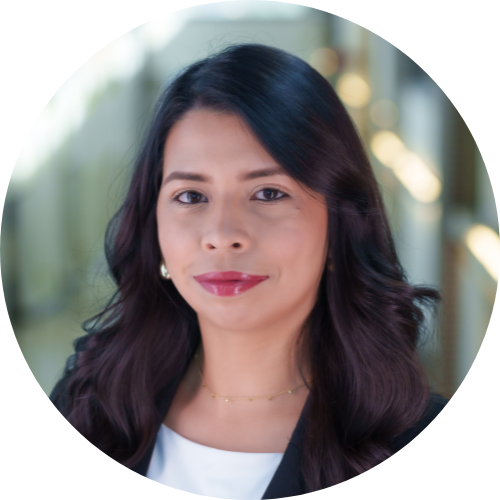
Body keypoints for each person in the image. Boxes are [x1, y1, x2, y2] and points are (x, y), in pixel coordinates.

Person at [50, 43, 447, 499]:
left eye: (269, 193)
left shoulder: (419, 445)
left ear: (341, 226)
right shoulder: (89, 399)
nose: (222, 234)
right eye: (191, 197)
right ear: (153, 224)